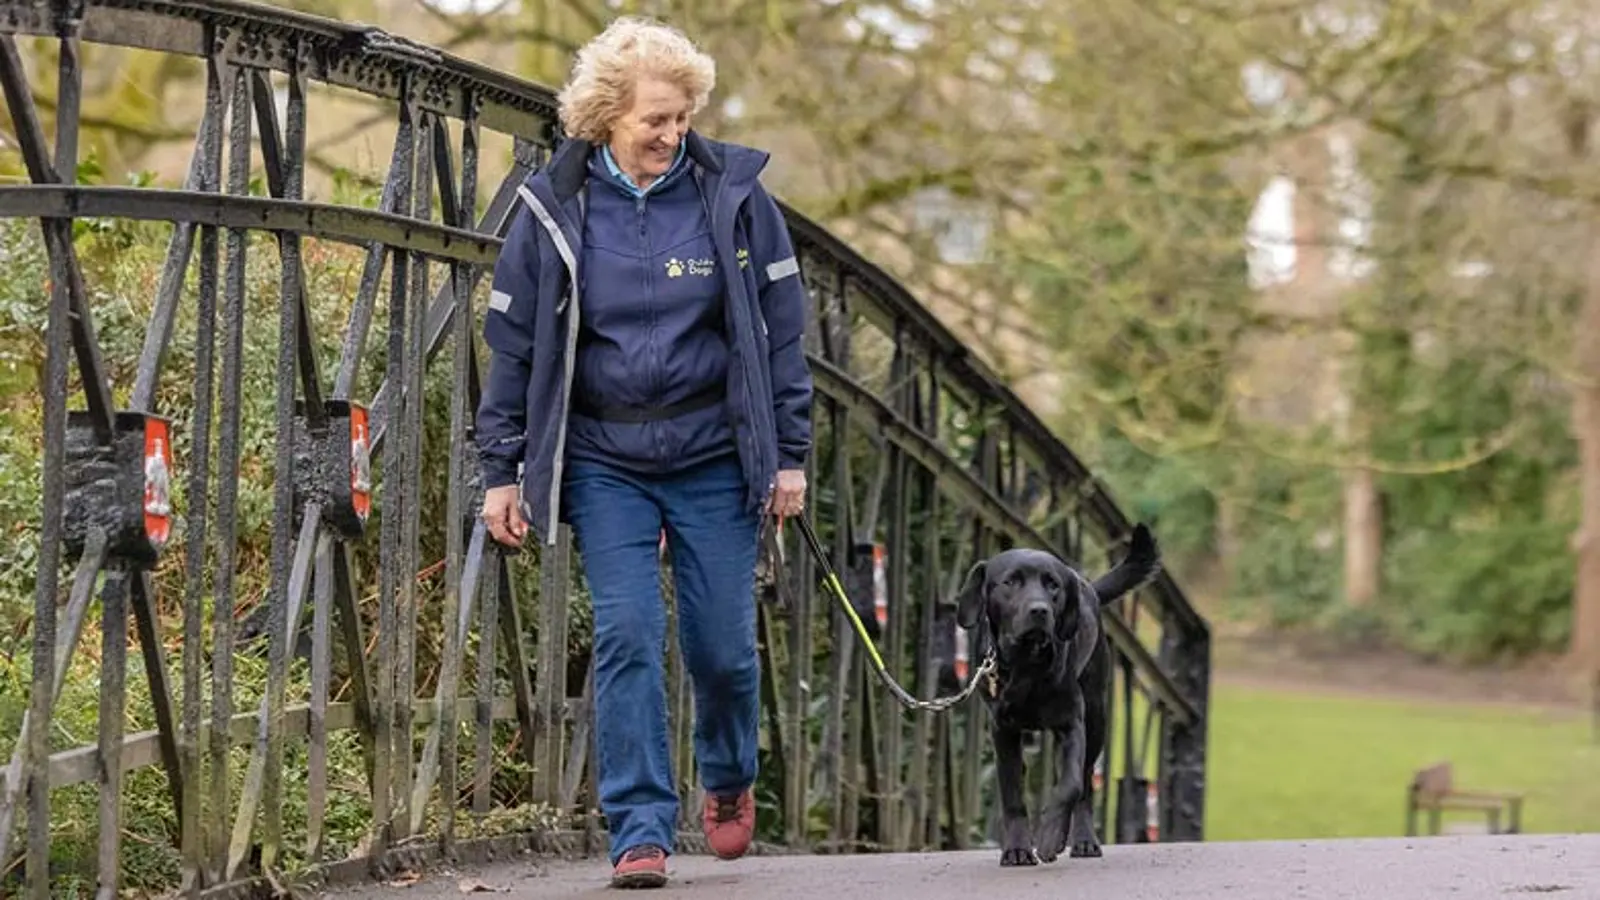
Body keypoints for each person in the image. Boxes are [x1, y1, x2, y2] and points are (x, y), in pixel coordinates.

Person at [473, 15, 813, 890]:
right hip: (604, 459)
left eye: (683, 116)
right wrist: (500, 471)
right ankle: (638, 828)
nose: (674, 133)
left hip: (714, 454)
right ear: (605, 118)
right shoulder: (554, 208)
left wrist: (789, 455)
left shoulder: (733, 200)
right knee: (626, 634)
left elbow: (782, 337)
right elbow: (512, 345)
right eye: (655, 119)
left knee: (724, 653)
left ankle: (730, 775)